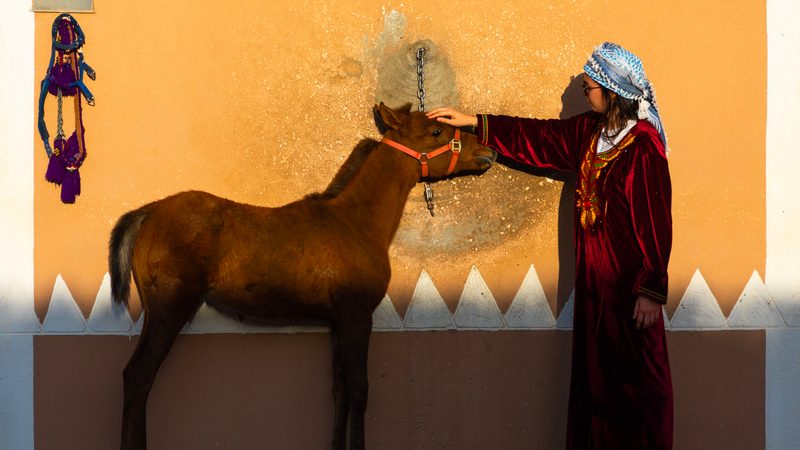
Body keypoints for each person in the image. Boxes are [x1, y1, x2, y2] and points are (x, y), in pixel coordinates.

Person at [428, 42, 673, 450]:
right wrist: (474, 121)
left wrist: (651, 289)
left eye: (591, 86)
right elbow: (538, 136)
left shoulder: (643, 146)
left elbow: (655, 219)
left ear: (612, 91)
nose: (585, 90)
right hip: (595, 286)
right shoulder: (590, 133)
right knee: (597, 385)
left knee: (637, 386)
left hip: (630, 293)